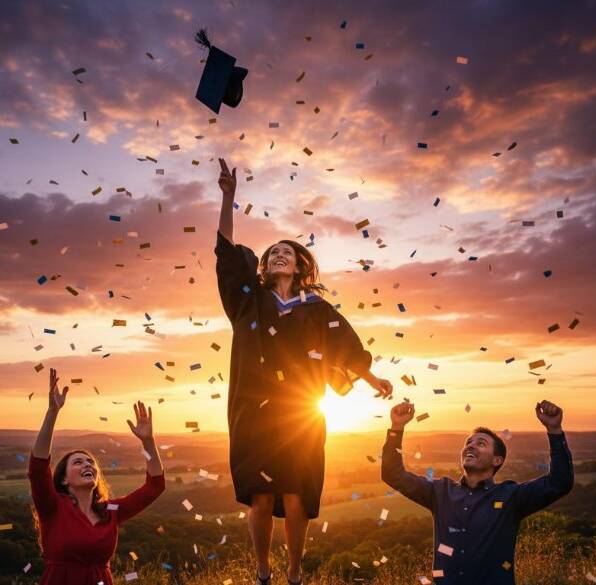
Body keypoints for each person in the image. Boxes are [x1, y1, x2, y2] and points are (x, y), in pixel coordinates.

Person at [214, 158, 394, 585]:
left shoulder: (316, 309)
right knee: (260, 498)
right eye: (273, 252)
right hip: (255, 411)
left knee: (296, 497)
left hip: (302, 414)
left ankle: (294, 573)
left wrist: (371, 378)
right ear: (264, 265)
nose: (279, 255)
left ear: (299, 267)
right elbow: (225, 254)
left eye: (288, 253)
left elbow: (344, 347)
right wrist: (227, 198)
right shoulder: (248, 302)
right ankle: (263, 571)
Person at [381, 399, 574, 584]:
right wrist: (396, 428)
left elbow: (559, 482)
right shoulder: (440, 492)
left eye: (481, 443)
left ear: (497, 460)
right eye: (468, 443)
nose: (471, 446)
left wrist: (554, 430)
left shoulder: (511, 497)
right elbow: (392, 474)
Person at [28, 368, 165, 585]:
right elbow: (37, 469)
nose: (87, 464)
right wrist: (52, 412)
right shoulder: (53, 507)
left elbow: (155, 486)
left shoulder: (110, 512)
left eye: (91, 462)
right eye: (78, 462)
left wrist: (148, 442)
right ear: (64, 479)